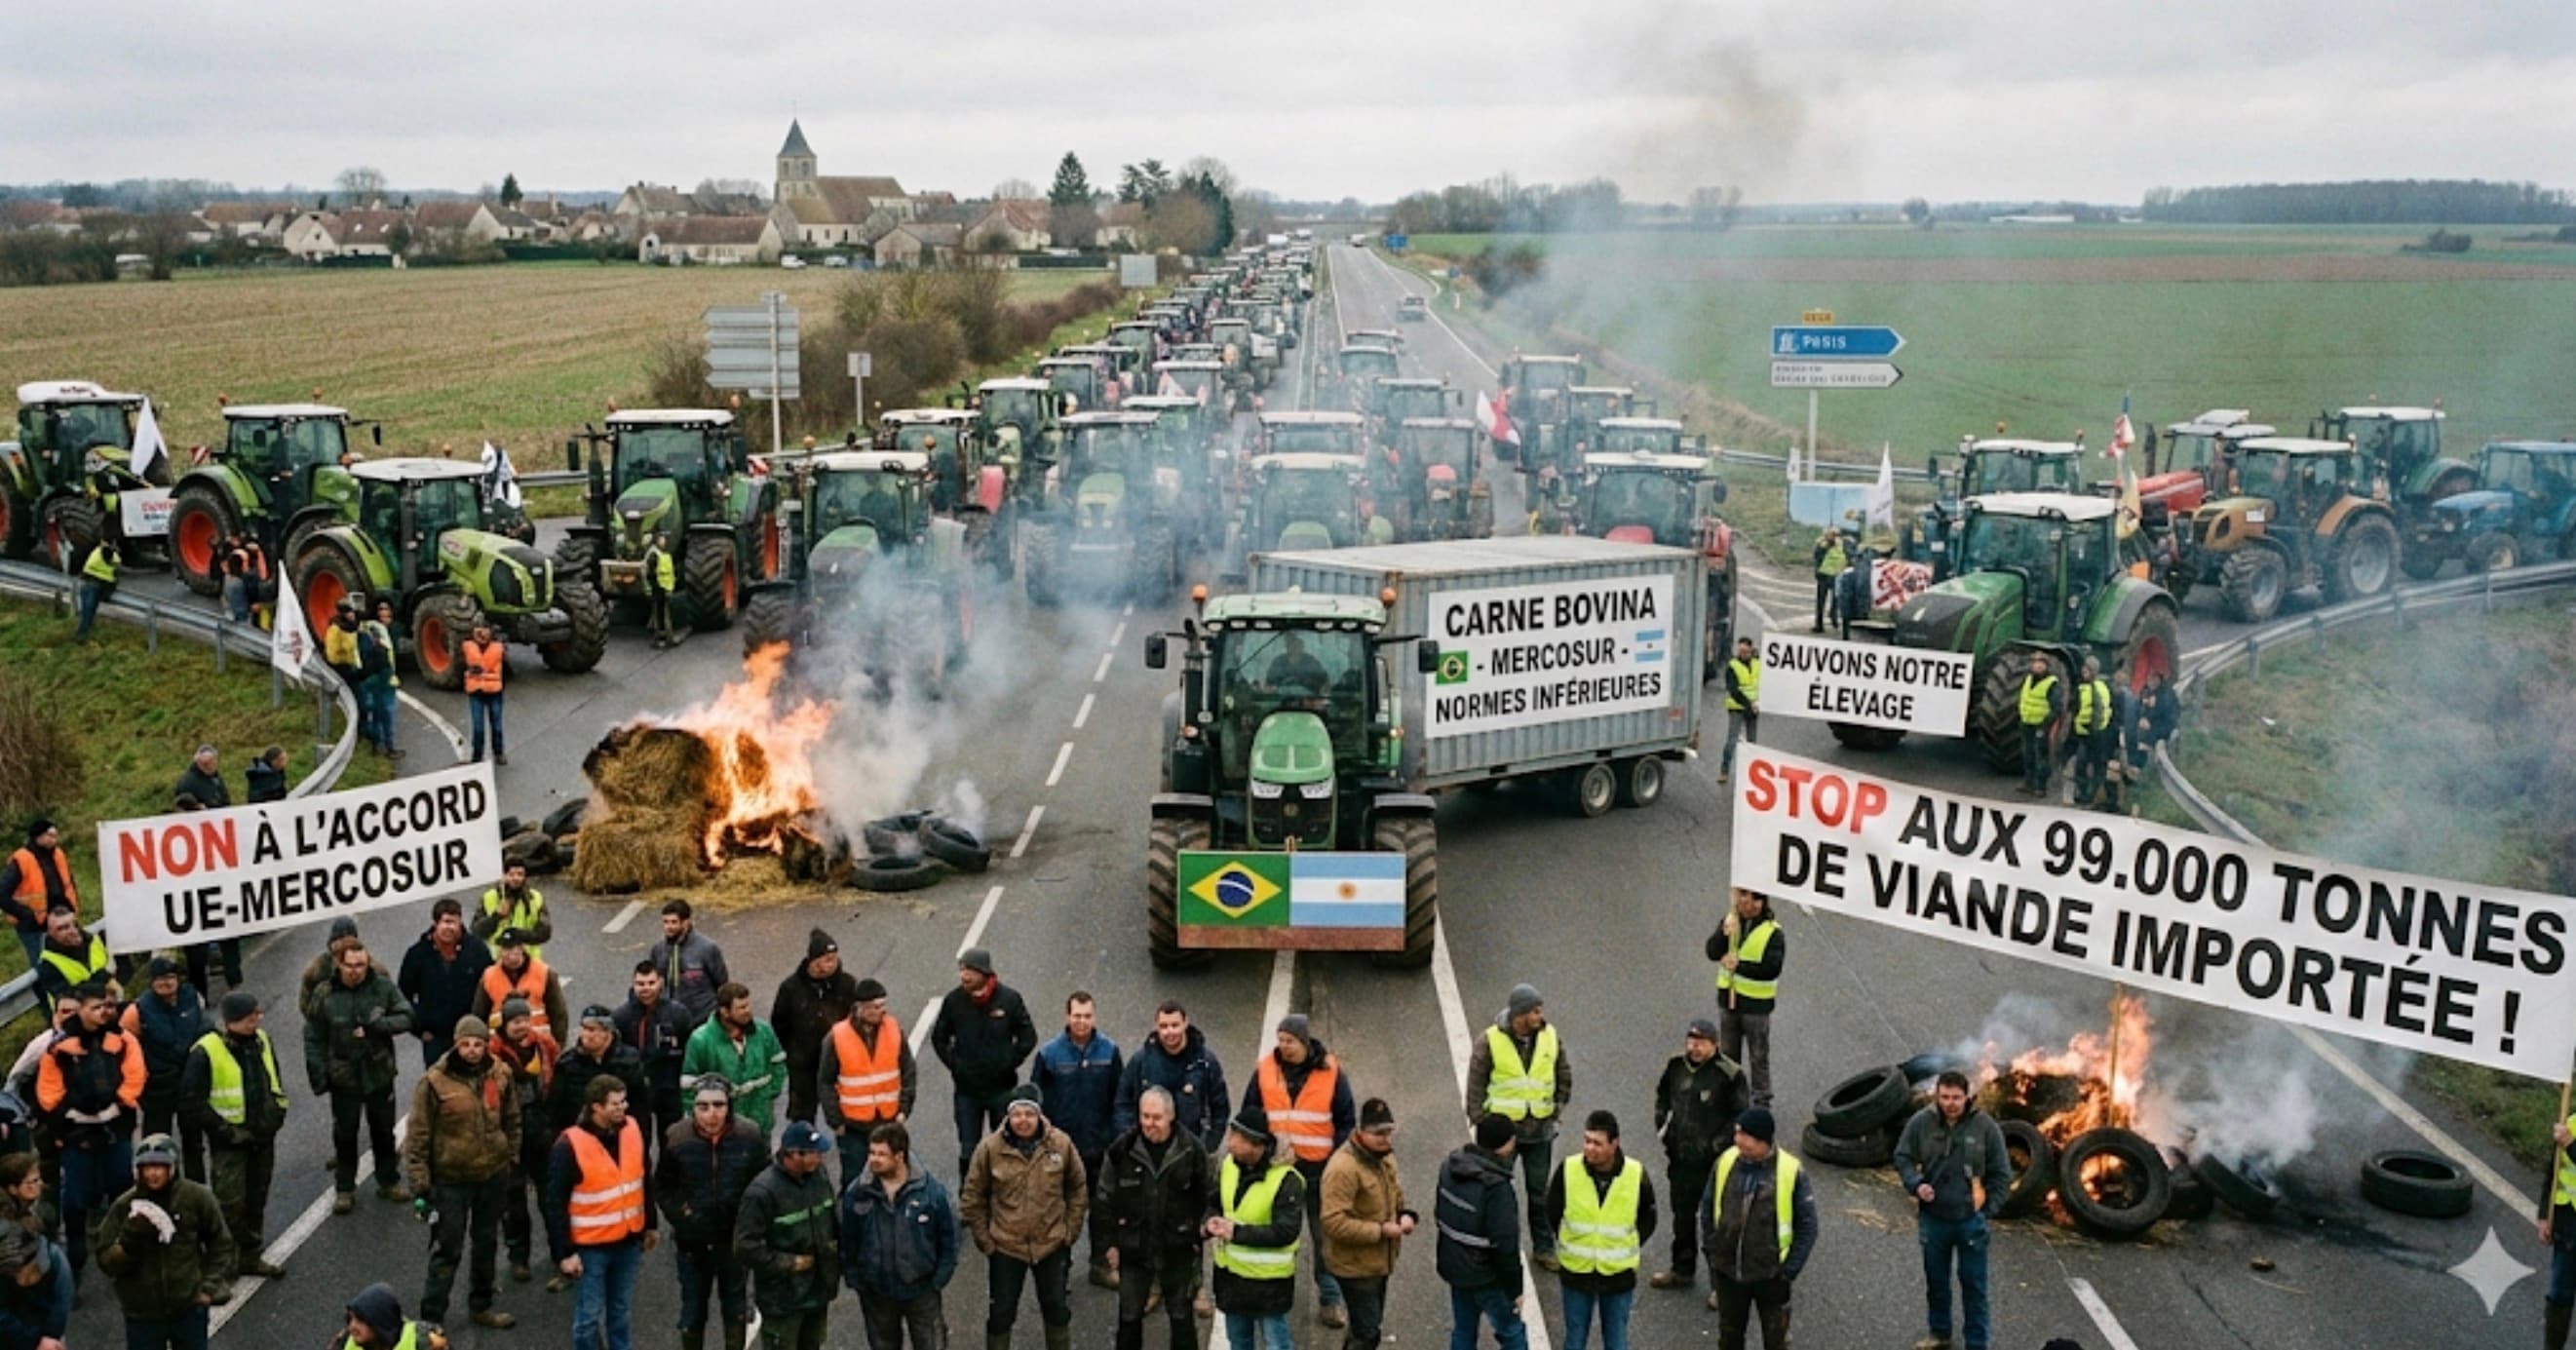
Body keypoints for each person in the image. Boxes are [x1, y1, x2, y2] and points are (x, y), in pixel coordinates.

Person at [404, 1015, 519, 1330]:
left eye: (478, 1044)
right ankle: (432, 1319)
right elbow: (418, 1135)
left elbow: (511, 1119)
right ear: (456, 1045)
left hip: (491, 1176)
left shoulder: (501, 1073)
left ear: (486, 1045)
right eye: (465, 1044)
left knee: (486, 1244)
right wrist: (420, 1182)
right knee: (447, 1250)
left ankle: (481, 1306)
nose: (472, 1050)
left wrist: (510, 1159)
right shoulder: (433, 1082)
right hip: (451, 1181)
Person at [1244, 1012, 1353, 1326]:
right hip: (1278, 1170)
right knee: (1275, 1233)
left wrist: (1335, 1161)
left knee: (1325, 1237)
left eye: (1289, 1041)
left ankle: (1331, 1299)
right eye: (1280, 1040)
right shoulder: (1265, 1070)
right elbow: (1251, 1113)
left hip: (1319, 1170)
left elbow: (1345, 1120)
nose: (1284, 1046)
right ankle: (1271, 1295)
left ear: (1304, 1042)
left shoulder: (1331, 1072)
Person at [1893, 1070, 2015, 1350]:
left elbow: (2001, 1174)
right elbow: (1902, 1156)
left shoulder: (1985, 1127)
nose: (1950, 1103)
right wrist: (1915, 1184)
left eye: (1956, 1098)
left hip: (1971, 1222)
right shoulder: (1921, 1123)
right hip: (1933, 1221)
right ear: (1937, 1095)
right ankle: (1940, 1334)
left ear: (1967, 1097)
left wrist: (1987, 1212)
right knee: (1936, 1283)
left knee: (1975, 1288)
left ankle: (1977, 1343)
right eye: (1945, 1097)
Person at [961, 1085, 1085, 1350]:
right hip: (1006, 1248)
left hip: (1051, 1245)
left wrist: (1070, 1231)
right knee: (1001, 1315)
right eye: (1017, 1114)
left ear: (1040, 1115)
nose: (1023, 1120)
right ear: (1008, 1116)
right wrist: (986, 1241)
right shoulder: (990, 1149)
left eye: (1030, 1113)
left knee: (1056, 1310)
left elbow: (1078, 1188)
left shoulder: (1061, 1144)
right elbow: (972, 1198)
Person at [1094, 1085, 1216, 1350]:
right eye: (1145, 1116)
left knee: (1181, 1318)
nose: (1150, 1124)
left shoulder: (1192, 1151)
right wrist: (1110, 1244)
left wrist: (1203, 1230)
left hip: (1178, 1249)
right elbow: (1104, 1200)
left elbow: (1209, 1197)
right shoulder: (1120, 1150)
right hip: (1133, 1249)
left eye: (1157, 1117)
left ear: (1171, 1116)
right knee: (1129, 1318)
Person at [37, 982, 142, 1280]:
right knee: (75, 1204)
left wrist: (118, 1107)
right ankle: (75, 1267)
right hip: (77, 1137)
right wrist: (70, 1116)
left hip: (115, 1131)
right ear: (81, 1009)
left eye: (107, 1006)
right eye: (97, 1007)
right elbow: (48, 1091)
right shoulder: (59, 1047)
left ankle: (126, 1258)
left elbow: (135, 1075)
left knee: (123, 1193)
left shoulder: (122, 1040)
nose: (104, 1012)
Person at [545, 1078, 659, 1350]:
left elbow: (644, 1180)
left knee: (620, 1312)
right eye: (616, 1104)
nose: (624, 1108)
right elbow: (554, 1202)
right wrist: (564, 1253)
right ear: (596, 1107)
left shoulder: (632, 1129)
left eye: (624, 1101)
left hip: (628, 1240)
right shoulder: (569, 1144)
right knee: (588, 1318)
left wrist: (650, 1225)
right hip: (591, 1247)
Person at [181, 990, 288, 1279]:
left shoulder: (262, 1040)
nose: (257, 1020)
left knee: (257, 1199)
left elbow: (273, 1078)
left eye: (257, 1014)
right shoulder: (206, 1051)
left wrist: (278, 1110)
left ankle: (251, 1257)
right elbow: (193, 1101)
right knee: (229, 1205)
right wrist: (226, 1132)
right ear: (232, 1021)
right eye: (250, 1016)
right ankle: (223, 1264)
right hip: (230, 1143)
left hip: (262, 1136)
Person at [301, 938, 412, 1214]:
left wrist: (378, 1026)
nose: (356, 971)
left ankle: (388, 1181)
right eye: (350, 965)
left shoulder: (382, 987)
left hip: (378, 1074)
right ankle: (344, 1188)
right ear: (339, 964)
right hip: (344, 1078)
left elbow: (407, 1017)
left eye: (361, 964)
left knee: (383, 1132)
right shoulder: (325, 994)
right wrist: (320, 1074)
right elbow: (313, 1037)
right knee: (345, 1134)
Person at [1463, 983, 1569, 1268]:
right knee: (1496, 1192)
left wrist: (1558, 1107)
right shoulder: (1490, 1040)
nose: (1541, 1015)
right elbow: (1476, 1083)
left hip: (1539, 1131)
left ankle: (1544, 1248)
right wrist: (1479, 1121)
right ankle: (1494, 1247)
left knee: (1539, 1193)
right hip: (1502, 1136)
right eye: (1535, 1010)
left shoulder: (1549, 1036)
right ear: (1520, 1014)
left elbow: (1563, 1072)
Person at [656, 1076, 767, 1350]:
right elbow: (663, 1186)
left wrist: (750, 1224)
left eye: (718, 1105)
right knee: (692, 1313)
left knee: (736, 1310)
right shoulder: (676, 1137)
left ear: (730, 1106)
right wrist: (684, 1215)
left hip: (735, 1243)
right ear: (693, 1107)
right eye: (702, 1106)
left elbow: (764, 1185)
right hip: (692, 1244)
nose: (711, 1114)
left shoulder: (750, 1136)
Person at [93, 1133, 231, 1350]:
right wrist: (129, 1243)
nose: (153, 1174)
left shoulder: (196, 1198)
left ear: (172, 1168)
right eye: (147, 1167)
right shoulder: (124, 1206)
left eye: (160, 1166)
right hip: (142, 1314)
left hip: (188, 1309)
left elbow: (220, 1243)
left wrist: (208, 1288)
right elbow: (105, 1261)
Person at [1702, 1106, 1817, 1349]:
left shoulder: (1791, 1172)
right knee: (1729, 1338)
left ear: (1764, 1140)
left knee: (1775, 1341)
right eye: (1737, 1134)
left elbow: (1808, 1226)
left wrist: (1789, 1271)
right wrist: (1713, 1250)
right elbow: (1708, 1207)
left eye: (1746, 1136)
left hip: (1771, 1276)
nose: (1738, 1141)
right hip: (1729, 1272)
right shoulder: (1725, 1161)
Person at [840, 1121, 959, 1350]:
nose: (874, 1159)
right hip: (877, 1292)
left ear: (899, 1156)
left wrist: (938, 1280)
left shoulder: (931, 1193)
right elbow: (848, 1239)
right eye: (872, 1152)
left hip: (921, 1290)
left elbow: (949, 1238)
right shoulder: (858, 1193)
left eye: (881, 1154)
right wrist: (855, 1279)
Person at [1649, 1018, 1747, 1292]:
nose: (1694, 1047)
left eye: (1701, 1042)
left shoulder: (1729, 1075)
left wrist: (1716, 1146)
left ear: (1714, 1045)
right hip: (1680, 1159)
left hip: (1714, 1165)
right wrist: (1663, 1129)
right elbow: (1662, 1097)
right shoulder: (1676, 1067)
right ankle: (1682, 1270)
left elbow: (1740, 1116)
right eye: (1691, 1041)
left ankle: (1721, 1285)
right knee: (1682, 1217)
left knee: (1715, 1225)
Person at [1033, 990, 1123, 1288]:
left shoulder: (1109, 1051)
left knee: (1102, 1212)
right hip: (1062, 1152)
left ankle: (1099, 1266)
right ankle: (1060, 1269)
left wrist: (1116, 1141)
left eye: (1087, 1016)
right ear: (1066, 1017)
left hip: (1100, 1149)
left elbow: (1119, 1099)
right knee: (1061, 1212)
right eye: (1076, 1016)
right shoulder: (1048, 1055)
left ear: (1094, 1017)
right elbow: (1037, 1104)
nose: (1081, 1022)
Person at [1548, 1110, 1657, 1350]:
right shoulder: (1568, 1169)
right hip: (1577, 1272)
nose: (1589, 1148)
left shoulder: (1635, 1174)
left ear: (1614, 1144)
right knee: (1575, 1339)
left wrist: (1623, 1246)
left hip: (1617, 1276)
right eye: (1587, 1140)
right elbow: (1553, 1211)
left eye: (1597, 1143)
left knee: (1616, 1340)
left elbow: (1647, 1219)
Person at [929, 946, 1037, 1180]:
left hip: (1002, 1091)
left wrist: (1009, 1062)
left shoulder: (1009, 999)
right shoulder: (954, 1001)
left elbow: (1028, 1036)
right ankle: (969, 1200)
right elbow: (939, 1038)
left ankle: (1005, 1197)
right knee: (969, 1151)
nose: (964, 976)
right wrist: (956, 1066)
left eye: (970, 970)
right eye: (962, 969)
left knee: (1004, 1149)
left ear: (985, 973)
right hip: (967, 1093)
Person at [735, 1122, 840, 1350]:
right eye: (814, 1153)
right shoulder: (762, 1193)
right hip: (782, 1299)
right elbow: (745, 1246)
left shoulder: (818, 1176)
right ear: (793, 1154)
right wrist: (788, 1263)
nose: (820, 1158)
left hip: (817, 1291)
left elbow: (831, 1217)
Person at [1319, 1097, 1410, 1350]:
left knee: (1365, 1326)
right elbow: (1333, 1222)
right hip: (1355, 1266)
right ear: (1361, 1132)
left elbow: (1395, 1194)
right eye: (1379, 1133)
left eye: (1389, 1132)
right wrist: (1380, 1231)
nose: (1386, 1139)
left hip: (1378, 1262)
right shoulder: (1343, 1169)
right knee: (1368, 1332)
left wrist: (1406, 1214)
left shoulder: (1384, 1158)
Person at [1206, 1113, 1300, 1350]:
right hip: (1232, 1279)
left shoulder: (1287, 1180)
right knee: (1238, 1342)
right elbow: (1215, 1201)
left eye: (1237, 1138)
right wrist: (1209, 1221)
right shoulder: (1229, 1165)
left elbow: (1286, 1231)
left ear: (1257, 1145)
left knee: (1277, 1344)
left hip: (1269, 1285)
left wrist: (1237, 1233)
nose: (1230, 1142)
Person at [1436, 1114, 1529, 1350]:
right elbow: (1506, 1244)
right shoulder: (1497, 1187)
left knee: (1464, 1332)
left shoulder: (1450, 1167)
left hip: (1456, 1267)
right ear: (1506, 1145)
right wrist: (1515, 1290)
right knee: (1511, 1332)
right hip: (1488, 1276)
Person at [488, 996, 561, 1286]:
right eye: (515, 1022)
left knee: (551, 1196)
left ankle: (560, 1251)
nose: (521, 1027)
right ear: (505, 1024)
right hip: (510, 1136)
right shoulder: (493, 1053)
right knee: (514, 1200)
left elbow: (557, 1080)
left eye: (524, 1020)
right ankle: (519, 1257)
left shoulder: (544, 1045)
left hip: (541, 1130)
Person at [122, 957, 209, 1183]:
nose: (166, 983)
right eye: (159, 979)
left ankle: (196, 1189)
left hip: (189, 1083)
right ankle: (161, 1190)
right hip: (157, 1090)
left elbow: (205, 1029)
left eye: (170, 977)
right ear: (151, 982)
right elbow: (125, 1049)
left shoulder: (192, 997)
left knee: (194, 1143)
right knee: (157, 1145)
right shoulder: (137, 1011)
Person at [820, 978, 914, 1185]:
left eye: (883, 1005)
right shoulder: (837, 1037)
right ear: (860, 1008)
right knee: (855, 1181)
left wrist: (904, 1109)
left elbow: (908, 1070)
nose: (882, 1011)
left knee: (894, 1178)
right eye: (875, 1007)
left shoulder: (894, 1029)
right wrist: (836, 1122)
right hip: (853, 1127)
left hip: (888, 1121)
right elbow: (825, 1081)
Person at [771, 930, 859, 1130]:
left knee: (844, 1109)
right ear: (813, 960)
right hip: (803, 1063)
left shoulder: (847, 985)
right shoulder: (791, 988)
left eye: (834, 958)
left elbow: (856, 1020)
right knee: (802, 1112)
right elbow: (780, 1022)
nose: (832, 964)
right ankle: (804, 1144)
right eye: (827, 959)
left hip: (840, 1060)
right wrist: (793, 1050)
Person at [1115, 999, 1230, 1151]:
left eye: (1175, 1025)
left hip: (1190, 1152)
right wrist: (1131, 1143)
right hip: (1150, 1151)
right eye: (1163, 1026)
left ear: (1185, 1023)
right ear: (1156, 1026)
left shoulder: (1205, 1063)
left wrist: (1207, 1146)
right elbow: (1123, 1102)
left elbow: (1220, 1107)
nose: (1169, 1032)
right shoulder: (1141, 1061)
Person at [399, 899, 493, 1070]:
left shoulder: (477, 949)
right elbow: (402, 997)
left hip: (471, 1036)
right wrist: (419, 1029)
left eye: (454, 922)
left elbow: (491, 985)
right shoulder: (417, 954)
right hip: (435, 1039)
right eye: (445, 922)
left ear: (460, 922)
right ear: (435, 923)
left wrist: (484, 1026)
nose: (449, 927)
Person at [1710, 888, 1784, 1106]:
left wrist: (1739, 966)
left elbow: (1771, 968)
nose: (1747, 903)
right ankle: (1731, 1096)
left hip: (1756, 1007)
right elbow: (1712, 952)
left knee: (1758, 1056)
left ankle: (1761, 1100)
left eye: (1753, 898)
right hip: (1729, 1002)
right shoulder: (1731, 922)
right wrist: (1723, 933)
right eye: (1743, 897)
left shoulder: (1773, 933)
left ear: (1762, 903)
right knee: (1728, 1055)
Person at [683, 984, 788, 1138]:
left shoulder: (763, 1031)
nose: (748, 1011)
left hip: (760, 1120)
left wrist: (768, 1094)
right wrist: (703, 1119)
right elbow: (689, 1085)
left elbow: (778, 1065)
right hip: (721, 1126)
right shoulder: (700, 1040)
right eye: (741, 1007)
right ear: (725, 1011)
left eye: (748, 1005)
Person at [616, 962, 694, 1149]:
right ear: (633, 984)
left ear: (661, 983)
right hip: (636, 1091)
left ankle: (667, 1178)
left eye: (651, 983)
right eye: (640, 984)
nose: (645, 989)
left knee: (671, 1142)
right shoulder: (621, 1017)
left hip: (669, 1087)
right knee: (638, 1142)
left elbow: (688, 1049)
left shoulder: (678, 1014)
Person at [553, 1006, 649, 1142]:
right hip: (581, 1140)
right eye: (584, 1028)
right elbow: (556, 1112)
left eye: (592, 1030)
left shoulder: (629, 1061)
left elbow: (641, 1109)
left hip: (621, 1139)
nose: (585, 1035)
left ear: (608, 1032)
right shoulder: (567, 1065)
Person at [1, 820, 77, 973]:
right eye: (50, 835)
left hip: (60, 918)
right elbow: (1, 893)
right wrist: (26, 915)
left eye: (55, 835)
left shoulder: (58, 854)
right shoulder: (21, 860)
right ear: (39, 837)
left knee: (68, 963)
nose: (54, 839)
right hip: (34, 926)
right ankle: (46, 996)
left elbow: (68, 881)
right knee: (43, 967)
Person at [471, 928, 567, 1043]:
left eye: (513, 948)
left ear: (522, 948)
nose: (509, 954)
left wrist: (557, 1047)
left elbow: (558, 1014)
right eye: (505, 949)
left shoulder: (544, 973)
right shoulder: (489, 976)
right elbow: (479, 1016)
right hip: (501, 1049)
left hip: (538, 1047)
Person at [648, 900, 731, 1027]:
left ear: (686, 923)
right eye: (665, 922)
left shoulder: (707, 948)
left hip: (702, 1018)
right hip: (671, 1019)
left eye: (674, 922)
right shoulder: (658, 949)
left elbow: (722, 984)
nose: (668, 927)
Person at [0, 1226, 70, 1350]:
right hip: (15, 1328)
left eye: (32, 1273)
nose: (25, 1281)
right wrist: (33, 1341)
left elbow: (61, 1304)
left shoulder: (56, 1260)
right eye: (19, 1276)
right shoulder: (5, 1268)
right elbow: (3, 1316)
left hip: (45, 1323)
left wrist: (50, 1336)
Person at [471, 862, 551, 960]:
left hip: (529, 962)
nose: (516, 878)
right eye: (511, 874)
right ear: (503, 875)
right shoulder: (489, 897)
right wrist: (496, 917)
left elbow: (545, 933)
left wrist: (518, 935)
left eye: (520, 874)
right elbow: (476, 931)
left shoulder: (536, 898)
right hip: (497, 962)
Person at [2068, 654, 2116, 808]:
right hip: (2083, 734)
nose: (2084, 671)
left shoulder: (2099, 688)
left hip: (2096, 735)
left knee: (2098, 766)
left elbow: (2100, 711)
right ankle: (2083, 793)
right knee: (2080, 765)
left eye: (2087, 669)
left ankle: (2093, 795)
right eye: (2084, 668)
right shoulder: (2082, 687)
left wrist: (2094, 728)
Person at [357, 600, 401, 758]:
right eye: (381, 609)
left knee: (378, 714)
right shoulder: (374, 631)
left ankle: (378, 746)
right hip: (379, 678)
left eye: (387, 609)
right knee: (385, 714)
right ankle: (386, 747)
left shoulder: (384, 630)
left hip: (379, 677)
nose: (385, 613)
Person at [2017, 651, 2062, 797]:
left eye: (2041, 663)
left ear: (2046, 666)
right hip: (2027, 723)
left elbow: (2057, 708)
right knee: (2028, 754)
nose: (2037, 666)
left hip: (2041, 726)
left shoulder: (2051, 684)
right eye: (2035, 663)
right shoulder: (2028, 679)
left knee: (2041, 756)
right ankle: (2028, 782)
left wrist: (2045, 725)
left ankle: (2041, 786)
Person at [461, 620, 507, 765]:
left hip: (494, 692)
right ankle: (477, 756)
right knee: (478, 728)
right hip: (476, 692)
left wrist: (478, 674)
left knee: (497, 726)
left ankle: (498, 752)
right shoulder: (468, 647)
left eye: (485, 629)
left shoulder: (498, 648)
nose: (482, 633)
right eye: (478, 629)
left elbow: (499, 672)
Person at [1718, 637, 1760, 783]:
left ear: (1751, 650)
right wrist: (1750, 705)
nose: (1742, 654)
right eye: (1740, 651)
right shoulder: (1733, 666)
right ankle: (1724, 770)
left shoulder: (1757, 664)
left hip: (1753, 708)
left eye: (1746, 651)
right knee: (1732, 740)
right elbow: (1734, 691)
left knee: (1752, 742)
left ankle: (1751, 774)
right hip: (1737, 707)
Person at [339, 1283, 422, 1350]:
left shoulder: (423, 1341)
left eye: (360, 1320)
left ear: (380, 1322)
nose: (351, 1327)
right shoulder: (346, 1340)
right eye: (350, 1318)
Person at [72, 539, 118, 640]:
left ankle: (83, 632)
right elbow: (113, 578)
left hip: (90, 585)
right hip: (95, 586)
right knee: (88, 610)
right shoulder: (112, 558)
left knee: (87, 610)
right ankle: (83, 632)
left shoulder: (96, 553)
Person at [643, 532, 678, 649]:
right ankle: (658, 639)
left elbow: (670, 573)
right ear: (656, 541)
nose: (664, 542)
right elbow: (648, 573)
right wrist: (650, 587)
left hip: (665, 589)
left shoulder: (665, 554)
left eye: (664, 539)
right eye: (661, 539)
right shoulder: (654, 554)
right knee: (659, 615)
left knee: (665, 615)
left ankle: (668, 638)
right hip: (657, 588)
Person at [1264, 635, 1328, 692]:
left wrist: (1323, 692)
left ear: (1302, 646)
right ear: (1287, 647)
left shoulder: (1311, 662)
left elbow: (1325, 681)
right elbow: (1269, 684)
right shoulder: (1278, 662)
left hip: (1308, 700)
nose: (1295, 648)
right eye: (1292, 645)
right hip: (1283, 699)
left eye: (1298, 645)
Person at [174, 745, 230, 811]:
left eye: (214, 760)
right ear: (199, 763)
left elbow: (225, 798)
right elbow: (182, 806)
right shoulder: (187, 782)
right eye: (208, 763)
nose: (214, 763)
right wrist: (198, 807)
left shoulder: (215, 777)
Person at [1811, 529, 1845, 633]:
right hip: (1836, 574)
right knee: (1836, 599)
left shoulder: (1822, 544)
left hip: (1824, 574)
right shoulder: (1841, 544)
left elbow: (1816, 557)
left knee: (1821, 601)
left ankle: (1819, 624)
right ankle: (1834, 619)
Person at [324, 600, 363, 689]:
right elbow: (332, 655)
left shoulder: (355, 626)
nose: (352, 614)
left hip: (356, 666)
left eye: (352, 611)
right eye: (348, 612)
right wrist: (345, 658)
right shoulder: (335, 629)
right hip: (343, 668)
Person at [1835, 547, 1871, 641]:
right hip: (1851, 598)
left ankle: (1845, 636)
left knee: (1845, 619)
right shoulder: (1858, 572)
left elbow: (1838, 587)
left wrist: (1838, 595)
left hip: (1844, 598)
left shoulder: (1844, 572)